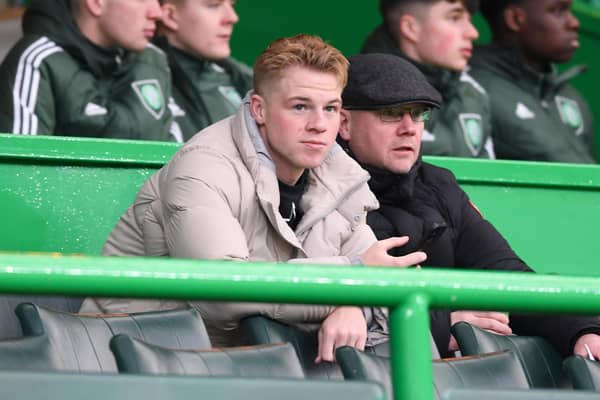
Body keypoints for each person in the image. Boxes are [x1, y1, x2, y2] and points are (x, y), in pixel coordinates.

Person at [80, 35, 427, 362]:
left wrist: (354, 304)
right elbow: (225, 293)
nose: (320, 124)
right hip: (123, 358)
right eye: (300, 107)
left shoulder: (338, 174)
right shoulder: (202, 166)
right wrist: (352, 281)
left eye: (331, 108)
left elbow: (389, 286)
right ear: (259, 110)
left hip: (240, 365)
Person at [338, 52, 600, 358]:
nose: (409, 128)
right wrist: (440, 324)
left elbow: (504, 275)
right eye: (392, 113)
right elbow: (310, 308)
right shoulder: (315, 190)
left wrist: (583, 330)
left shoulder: (439, 186)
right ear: (344, 123)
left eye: (419, 113)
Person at [0, 0, 178, 141]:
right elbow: (21, 175)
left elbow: (173, 160)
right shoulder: (38, 60)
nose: (157, 12)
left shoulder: (154, 60)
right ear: (96, 2)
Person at [361, 0, 494, 158]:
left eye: (469, 20)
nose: (473, 32)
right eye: (455, 17)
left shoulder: (473, 94)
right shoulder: (358, 93)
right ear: (411, 28)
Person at [471, 0, 596, 163]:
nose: (574, 22)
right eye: (558, 11)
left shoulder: (571, 96)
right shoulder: (474, 90)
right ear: (515, 19)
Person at [156, 0, 253, 141]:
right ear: (170, 16)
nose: (232, 17)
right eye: (214, 5)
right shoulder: (136, 76)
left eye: (231, 5)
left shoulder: (244, 80)